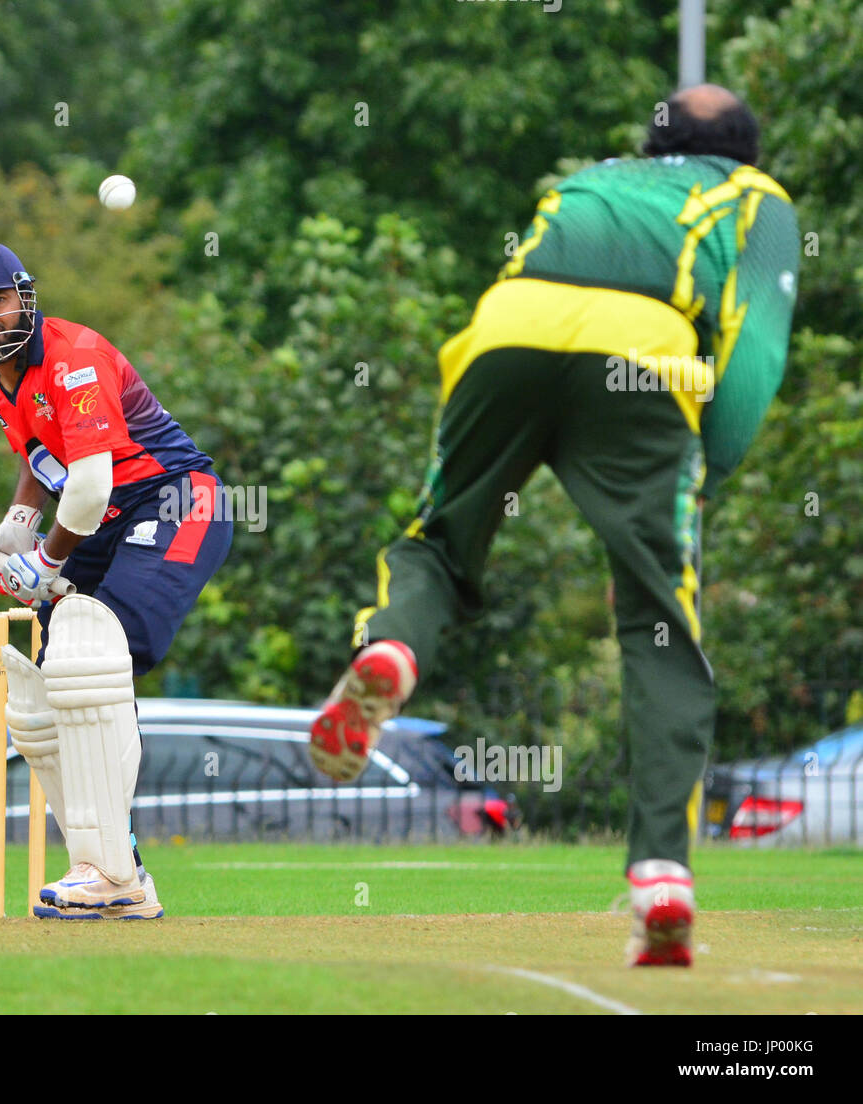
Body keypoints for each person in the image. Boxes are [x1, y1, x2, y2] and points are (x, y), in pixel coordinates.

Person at [310, 85, 800, 965]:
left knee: (438, 541)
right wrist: (700, 488)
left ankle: (391, 653)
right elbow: (755, 350)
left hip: (506, 331)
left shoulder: (597, 178)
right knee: (660, 619)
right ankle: (660, 877)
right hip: (641, 353)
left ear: (654, 148)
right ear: (747, 152)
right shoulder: (756, 198)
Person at [0, 241, 233, 919]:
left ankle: (109, 873)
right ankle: (113, 874)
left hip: (174, 500)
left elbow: (92, 485)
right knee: (45, 690)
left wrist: (43, 565)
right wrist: (15, 529)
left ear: (24, 296)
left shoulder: (72, 357)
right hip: (98, 519)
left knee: (91, 650)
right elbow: (41, 459)